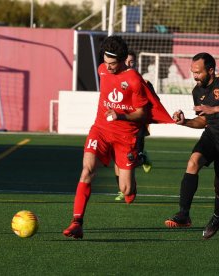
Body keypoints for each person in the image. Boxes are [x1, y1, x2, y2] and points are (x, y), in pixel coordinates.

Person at [62, 35, 173, 239]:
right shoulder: (102, 69)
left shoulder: (134, 80)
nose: (108, 67)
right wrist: (110, 116)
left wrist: (119, 115)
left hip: (126, 136)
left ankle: (132, 166)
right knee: (87, 170)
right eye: (105, 61)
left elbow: (141, 113)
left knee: (127, 191)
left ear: (122, 60)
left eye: (113, 63)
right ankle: (77, 222)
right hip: (101, 130)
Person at [164, 52, 219, 240]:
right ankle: (184, 215)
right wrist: (185, 121)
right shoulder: (197, 91)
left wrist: (216, 108)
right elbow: (203, 121)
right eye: (192, 72)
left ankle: (218, 216)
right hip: (211, 135)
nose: (194, 76)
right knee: (193, 162)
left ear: (210, 70)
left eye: (198, 72)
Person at [114, 50, 153, 201]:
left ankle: (142, 159)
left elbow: (152, 105)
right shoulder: (116, 80)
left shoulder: (143, 83)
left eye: (132, 62)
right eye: (127, 62)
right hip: (118, 126)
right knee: (117, 159)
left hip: (136, 129)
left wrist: (147, 123)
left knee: (129, 159)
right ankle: (121, 190)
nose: (130, 65)